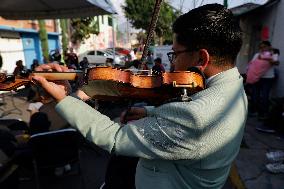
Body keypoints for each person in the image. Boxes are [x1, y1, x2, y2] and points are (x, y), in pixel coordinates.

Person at [32, 4, 247, 189]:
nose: (172, 64)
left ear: (202, 58)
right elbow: (192, 114)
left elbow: (115, 138)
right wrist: (149, 111)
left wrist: (66, 98)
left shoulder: (195, 118)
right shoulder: (234, 87)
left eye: (176, 54)